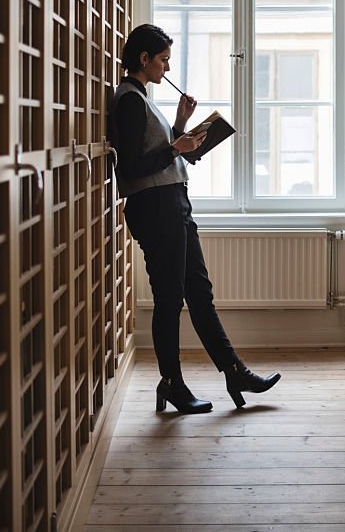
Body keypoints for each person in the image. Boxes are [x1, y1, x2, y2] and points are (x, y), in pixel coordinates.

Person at [108, 23, 280, 413]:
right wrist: (175, 146)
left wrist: (181, 126)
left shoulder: (142, 98)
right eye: (163, 60)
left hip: (173, 204)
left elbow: (162, 152)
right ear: (144, 58)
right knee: (169, 300)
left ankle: (234, 371)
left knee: (198, 293)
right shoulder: (130, 100)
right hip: (155, 208)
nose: (167, 68)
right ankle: (172, 384)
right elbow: (132, 169)